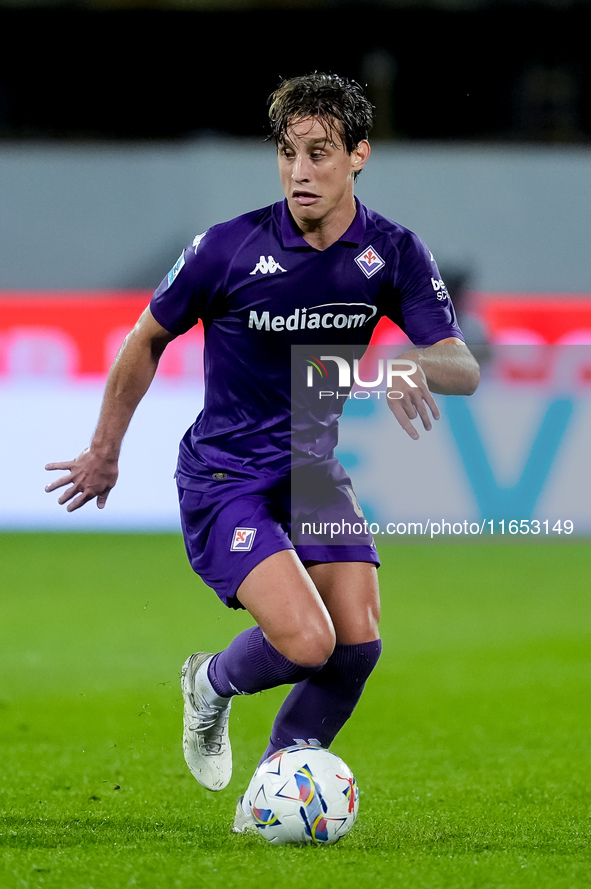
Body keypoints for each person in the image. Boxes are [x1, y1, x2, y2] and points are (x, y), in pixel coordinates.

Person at [45, 73, 480, 832]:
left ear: (358, 156)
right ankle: (208, 683)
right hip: (225, 479)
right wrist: (104, 450)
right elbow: (146, 337)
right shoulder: (229, 247)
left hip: (312, 475)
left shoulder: (392, 252)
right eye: (287, 154)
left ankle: (274, 787)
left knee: (355, 648)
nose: (300, 172)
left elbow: (461, 366)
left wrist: (413, 362)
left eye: (318, 153)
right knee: (308, 642)